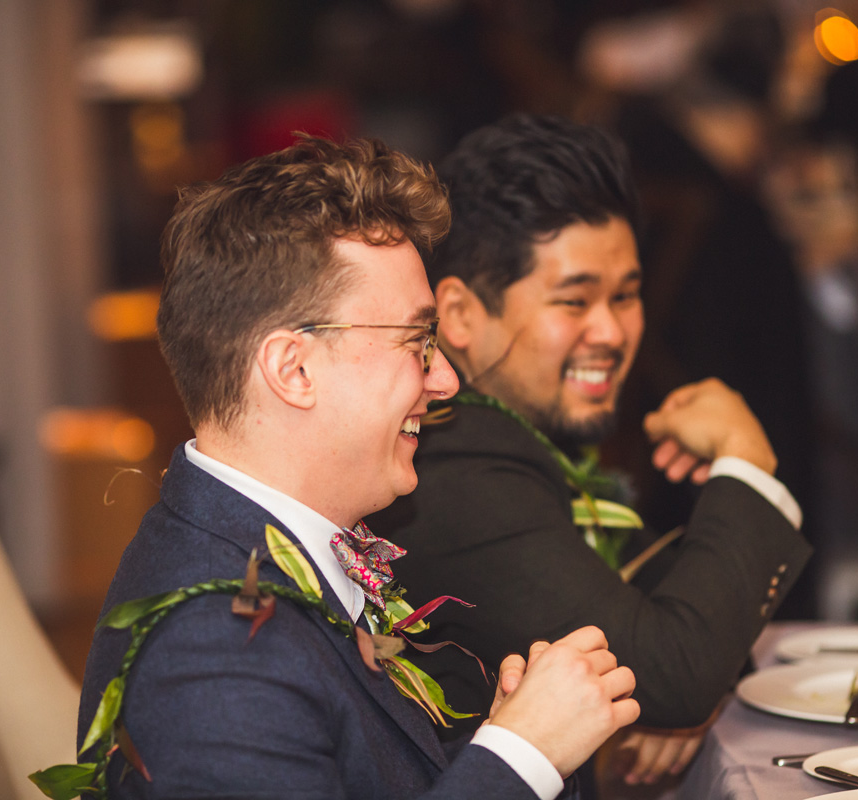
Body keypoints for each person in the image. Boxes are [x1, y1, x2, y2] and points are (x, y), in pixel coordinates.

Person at [77, 135, 640, 800]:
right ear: (294, 370)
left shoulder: (280, 547)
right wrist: (521, 758)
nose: (447, 379)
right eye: (416, 342)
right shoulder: (215, 656)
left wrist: (496, 737)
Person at [366, 114, 811, 785]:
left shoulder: (524, 441)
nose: (612, 330)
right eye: (573, 301)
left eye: (627, 295)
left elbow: (700, 634)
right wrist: (746, 460)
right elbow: (679, 665)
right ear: (458, 316)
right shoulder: (450, 463)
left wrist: (692, 687)